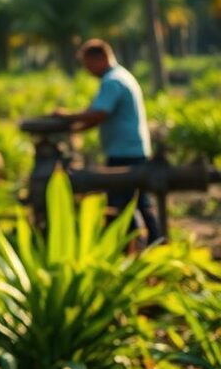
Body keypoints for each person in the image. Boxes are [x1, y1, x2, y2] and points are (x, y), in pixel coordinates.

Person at [54, 39, 162, 243]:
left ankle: (125, 247)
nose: (88, 70)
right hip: (132, 149)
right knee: (138, 203)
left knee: (120, 204)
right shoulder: (121, 76)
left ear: (101, 58)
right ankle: (153, 243)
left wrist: (65, 117)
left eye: (88, 65)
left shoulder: (113, 81)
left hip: (124, 153)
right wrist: (75, 129)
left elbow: (99, 114)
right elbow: (100, 117)